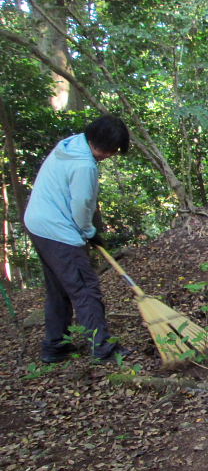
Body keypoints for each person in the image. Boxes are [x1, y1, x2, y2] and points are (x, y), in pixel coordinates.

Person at [24, 114, 131, 363]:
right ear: (103, 146)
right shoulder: (84, 165)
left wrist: (87, 232)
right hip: (57, 229)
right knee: (86, 289)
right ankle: (103, 348)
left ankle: (55, 346)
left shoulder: (71, 144)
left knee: (59, 288)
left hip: (37, 224)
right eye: (111, 150)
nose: (110, 155)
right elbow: (81, 205)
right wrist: (89, 232)